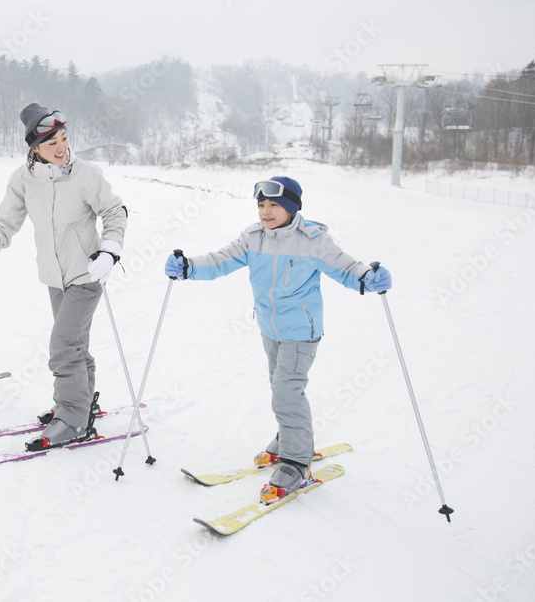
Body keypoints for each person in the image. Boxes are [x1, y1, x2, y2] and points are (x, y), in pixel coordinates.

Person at [164, 176, 392, 504]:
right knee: (280, 387)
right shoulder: (253, 237)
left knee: (286, 391)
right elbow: (220, 261)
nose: (266, 212)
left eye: (274, 205)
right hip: (270, 329)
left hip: (301, 331)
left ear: (292, 208)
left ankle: (297, 461)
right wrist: (188, 267)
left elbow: (345, 268)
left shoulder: (313, 241)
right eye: (261, 205)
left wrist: (368, 278)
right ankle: (289, 436)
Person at [0, 104, 127, 447]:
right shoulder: (23, 180)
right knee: (75, 345)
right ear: (34, 148)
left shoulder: (86, 174)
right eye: (52, 143)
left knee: (63, 346)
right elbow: (6, 222)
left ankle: (73, 416)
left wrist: (109, 250)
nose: (62, 147)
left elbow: (114, 211)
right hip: (54, 278)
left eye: (64, 139)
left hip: (86, 274)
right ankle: (82, 400)